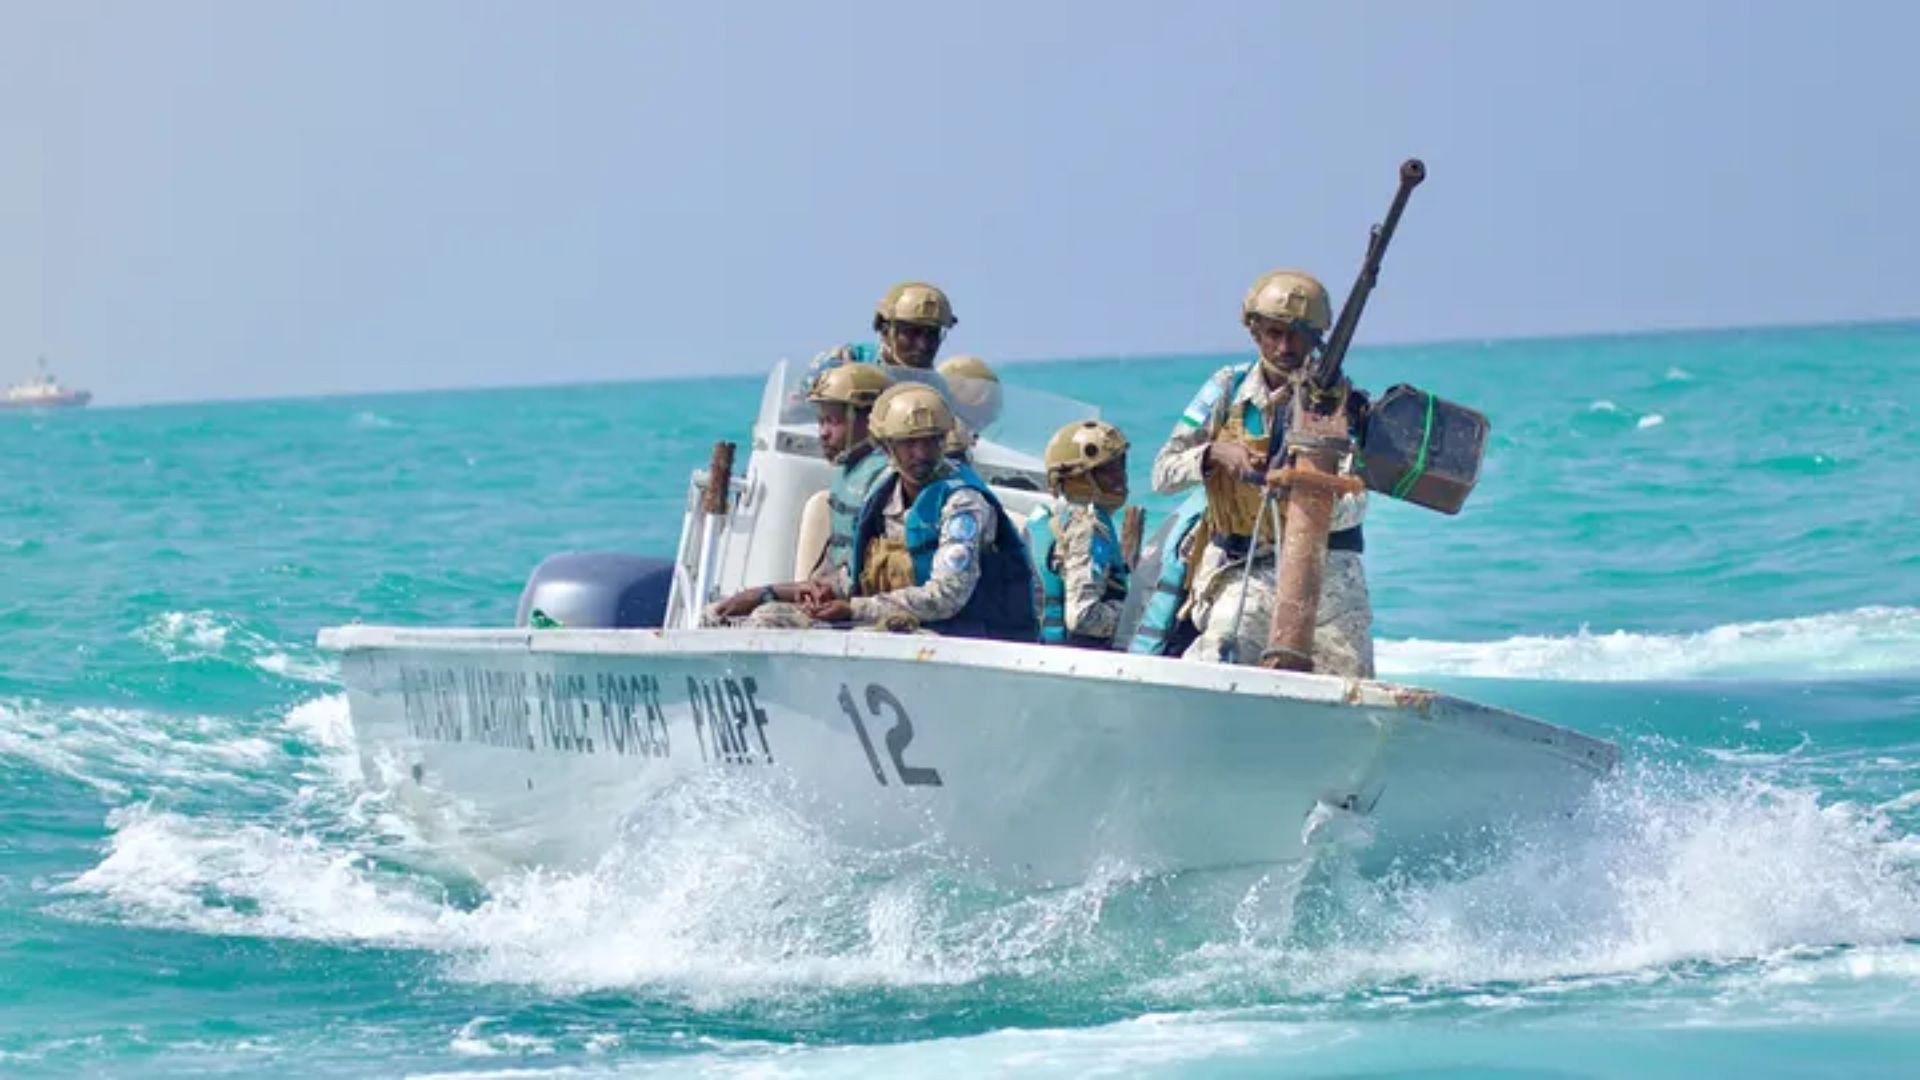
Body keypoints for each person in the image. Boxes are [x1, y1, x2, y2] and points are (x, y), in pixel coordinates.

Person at [1147, 269, 1375, 677]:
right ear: (1255, 331)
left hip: (1329, 575)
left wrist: (1304, 493)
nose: (1285, 347)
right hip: (1243, 565)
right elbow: (1163, 473)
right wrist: (1214, 454)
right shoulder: (1227, 390)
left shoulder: (1346, 405)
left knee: (1345, 684)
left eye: (1298, 335)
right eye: (1274, 333)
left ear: (1318, 338)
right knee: (1215, 663)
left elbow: (1356, 501)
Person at [736, 384, 1038, 641]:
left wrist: (854, 609)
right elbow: (855, 577)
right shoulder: (883, 496)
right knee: (765, 619)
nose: (921, 454)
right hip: (895, 624)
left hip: (961, 637)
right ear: (886, 446)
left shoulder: (964, 504)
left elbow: (947, 596)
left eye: (931, 441)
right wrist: (768, 593)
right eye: (909, 444)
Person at [708, 363, 894, 622]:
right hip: (835, 596)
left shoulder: (886, 481)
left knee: (767, 618)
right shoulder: (848, 472)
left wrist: (766, 594)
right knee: (716, 613)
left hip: (864, 610)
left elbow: (868, 580)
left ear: (872, 420)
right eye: (820, 421)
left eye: (833, 421)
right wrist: (774, 591)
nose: (823, 433)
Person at [1027, 419, 1131, 648]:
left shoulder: (1047, 519)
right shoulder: (1086, 527)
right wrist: (1134, 616)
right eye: (1107, 470)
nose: (1120, 478)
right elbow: (1084, 617)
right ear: (1078, 477)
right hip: (1076, 656)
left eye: (1120, 465)